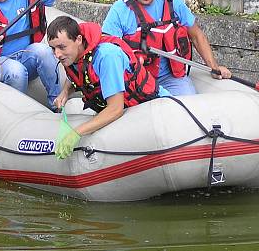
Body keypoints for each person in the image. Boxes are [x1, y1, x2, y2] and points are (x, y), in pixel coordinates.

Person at [101, 0, 231, 96]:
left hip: (169, 78)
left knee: (189, 103)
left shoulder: (171, 1)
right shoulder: (119, 10)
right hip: (135, 79)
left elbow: (197, 35)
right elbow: (107, 50)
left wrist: (214, 67)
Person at [47, 16, 171, 157]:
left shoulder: (107, 56)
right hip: (126, 112)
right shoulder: (73, 56)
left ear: (79, 40)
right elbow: (77, 76)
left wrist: (76, 132)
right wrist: (65, 92)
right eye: (53, 49)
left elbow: (115, 109)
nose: (57, 54)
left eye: (62, 47)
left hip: (152, 108)